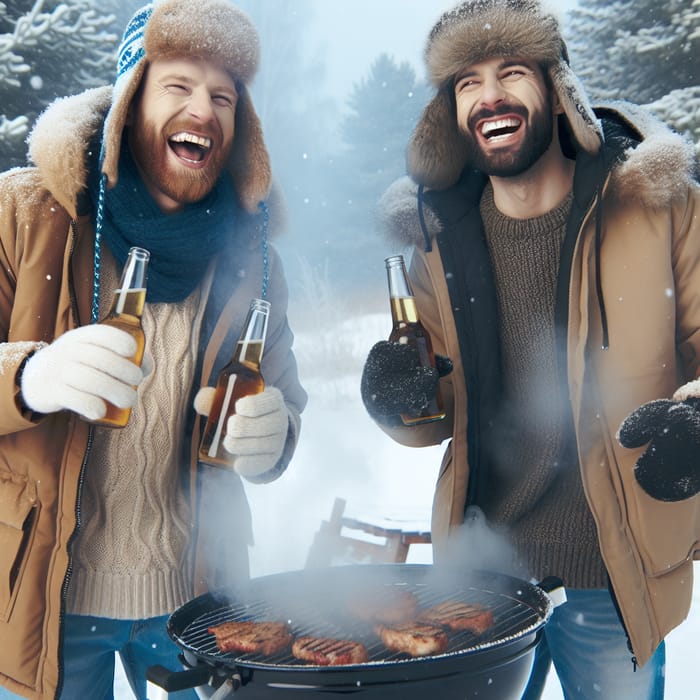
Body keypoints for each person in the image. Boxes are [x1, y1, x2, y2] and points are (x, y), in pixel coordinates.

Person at [360, 1, 699, 698]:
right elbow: (435, 410)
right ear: (452, 114)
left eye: (511, 72)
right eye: (466, 83)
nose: (489, 96)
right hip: (479, 574)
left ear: (556, 90)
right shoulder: (440, 235)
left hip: (615, 569)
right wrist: (396, 400)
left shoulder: (659, 205)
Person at [0, 1, 307, 698]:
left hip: (195, 603)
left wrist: (274, 435)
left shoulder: (253, 259)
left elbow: (286, 408)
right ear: (130, 101)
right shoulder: (24, 217)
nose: (204, 109)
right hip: (45, 600)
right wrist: (28, 377)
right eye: (179, 87)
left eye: (223, 96)